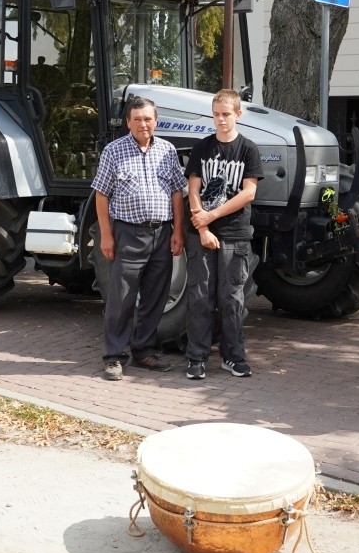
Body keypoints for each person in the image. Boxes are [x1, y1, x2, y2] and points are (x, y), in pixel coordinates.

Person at [91, 96, 187, 381]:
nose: (143, 124)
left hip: (161, 233)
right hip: (128, 233)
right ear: (128, 122)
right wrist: (106, 235)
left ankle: (144, 351)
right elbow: (101, 195)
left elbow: (177, 192)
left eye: (147, 119)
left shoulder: (168, 150)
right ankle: (114, 356)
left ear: (156, 121)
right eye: (137, 119)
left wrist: (178, 231)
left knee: (155, 297)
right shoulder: (114, 151)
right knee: (121, 298)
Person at [184, 89, 264, 380]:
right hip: (201, 234)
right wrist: (203, 227)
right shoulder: (202, 147)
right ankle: (196, 358)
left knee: (231, 298)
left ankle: (233, 357)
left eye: (226, 114)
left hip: (234, 234)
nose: (220, 119)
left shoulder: (248, 149)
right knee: (200, 297)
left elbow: (248, 193)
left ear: (238, 114)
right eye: (216, 114)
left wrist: (212, 215)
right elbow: (193, 190)